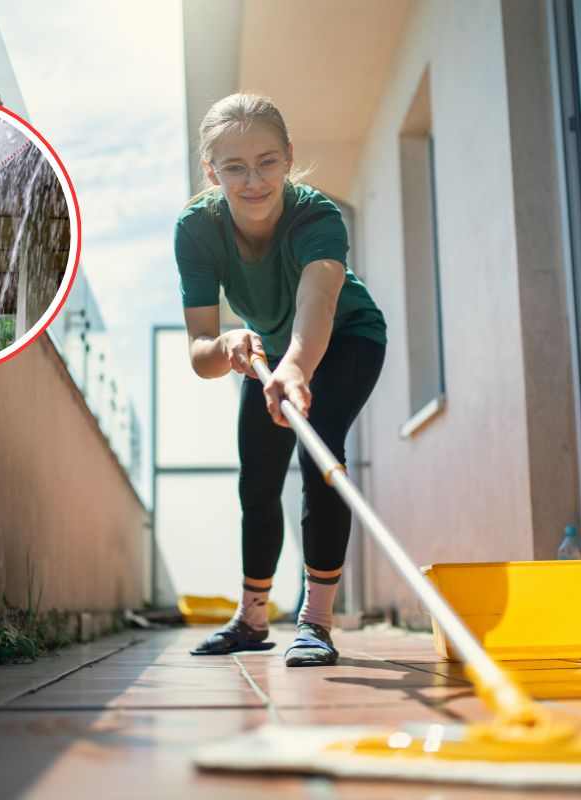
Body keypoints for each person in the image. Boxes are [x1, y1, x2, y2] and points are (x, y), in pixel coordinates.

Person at [173, 93, 387, 667]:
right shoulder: (196, 230)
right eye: (234, 166)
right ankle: (252, 618)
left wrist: (296, 366)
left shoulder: (317, 216)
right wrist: (227, 345)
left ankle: (316, 622)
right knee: (258, 479)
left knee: (322, 455)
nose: (252, 181)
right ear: (210, 169)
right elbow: (200, 352)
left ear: (289, 157)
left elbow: (316, 306)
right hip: (266, 349)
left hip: (346, 340)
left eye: (267, 161)